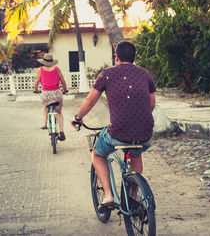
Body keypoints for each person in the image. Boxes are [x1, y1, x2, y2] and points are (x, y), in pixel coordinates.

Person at [71, 40, 156, 212]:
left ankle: (109, 195)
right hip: (145, 133)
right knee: (136, 154)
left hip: (118, 132)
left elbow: (90, 100)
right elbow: (151, 104)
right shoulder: (145, 74)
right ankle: (134, 195)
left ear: (116, 57)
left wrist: (78, 117)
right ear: (134, 58)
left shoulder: (107, 73)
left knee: (97, 153)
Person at [34, 53, 68, 141]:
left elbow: (37, 81)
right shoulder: (57, 69)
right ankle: (61, 131)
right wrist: (65, 90)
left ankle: (45, 124)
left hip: (46, 94)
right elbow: (63, 81)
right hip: (57, 93)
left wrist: (36, 90)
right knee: (59, 112)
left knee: (46, 107)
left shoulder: (40, 69)